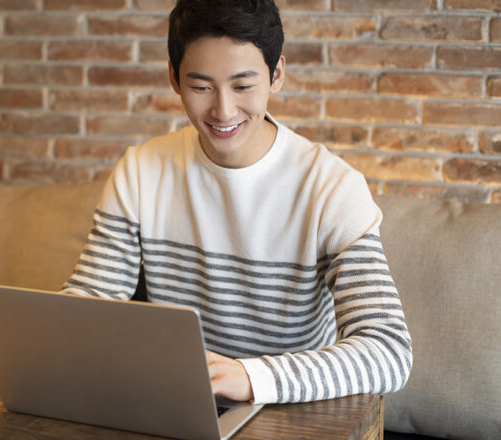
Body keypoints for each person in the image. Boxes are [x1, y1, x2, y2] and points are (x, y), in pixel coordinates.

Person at [62, 0, 412, 405]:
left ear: (276, 74)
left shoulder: (332, 189)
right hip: (177, 405)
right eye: (201, 87)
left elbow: (389, 352)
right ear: (174, 78)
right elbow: (86, 306)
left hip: (291, 411)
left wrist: (249, 377)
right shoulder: (140, 171)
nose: (223, 110)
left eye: (243, 86)